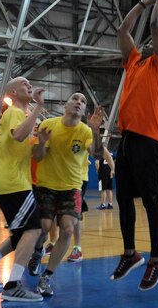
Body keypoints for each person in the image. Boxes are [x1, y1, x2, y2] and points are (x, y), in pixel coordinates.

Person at [111, 0, 158, 291]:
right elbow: (123, 32)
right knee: (123, 199)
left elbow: (156, 24)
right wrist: (142, 2)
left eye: (156, 40)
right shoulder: (134, 61)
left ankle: (156, 260)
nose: (151, 41)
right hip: (127, 141)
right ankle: (130, 253)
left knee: (151, 201)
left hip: (151, 140)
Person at [0, 76, 45, 302]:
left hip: (13, 182)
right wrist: (39, 107)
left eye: (29, 83)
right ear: (12, 93)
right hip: (13, 183)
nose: (29, 86)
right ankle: (13, 285)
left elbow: (35, 154)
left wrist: (41, 141)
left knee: (22, 233)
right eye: (24, 84)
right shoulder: (14, 112)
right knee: (34, 230)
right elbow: (20, 134)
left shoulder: (21, 116)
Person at [31, 93, 104, 296]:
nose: (79, 102)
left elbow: (97, 154)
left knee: (67, 229)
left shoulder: (86, 131)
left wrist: (96, 130)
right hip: (46, 185)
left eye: (83, 101)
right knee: (44, 227)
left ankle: (47, 276)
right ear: (65, 104)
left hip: (71, 187)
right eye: (75, 98)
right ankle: (37, 251)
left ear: (84, 111)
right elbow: (37, 156)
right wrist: (42, 142)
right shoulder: (48, 124)